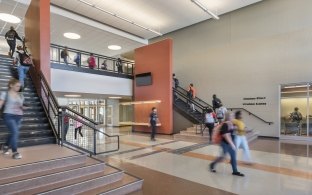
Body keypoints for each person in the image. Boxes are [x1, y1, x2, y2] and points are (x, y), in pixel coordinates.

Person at [209, 112, 244, 177]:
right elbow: (226, 135)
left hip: (231, 143)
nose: (233, 117)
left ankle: (235, 171)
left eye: (233, 116)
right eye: (232, 116)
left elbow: (232, 132)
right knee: (222, 157)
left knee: (233, 157)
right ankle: (212, 165)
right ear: (228, 117)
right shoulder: (225, 124)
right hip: (225, 143)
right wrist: (232, 144)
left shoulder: (232, 124)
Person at [0, 79, 24, 159]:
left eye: (19, 86)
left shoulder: (20, 95)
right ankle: (15, 152)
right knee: (15, 132)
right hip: (9, 115)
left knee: (13, 133)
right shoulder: (5, 93)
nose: (19, 87)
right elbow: (1, 103)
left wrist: (23, 107)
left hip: (19, 116)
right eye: (17, 86)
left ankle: (5, 146)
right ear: (11, 85)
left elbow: (21, 105)